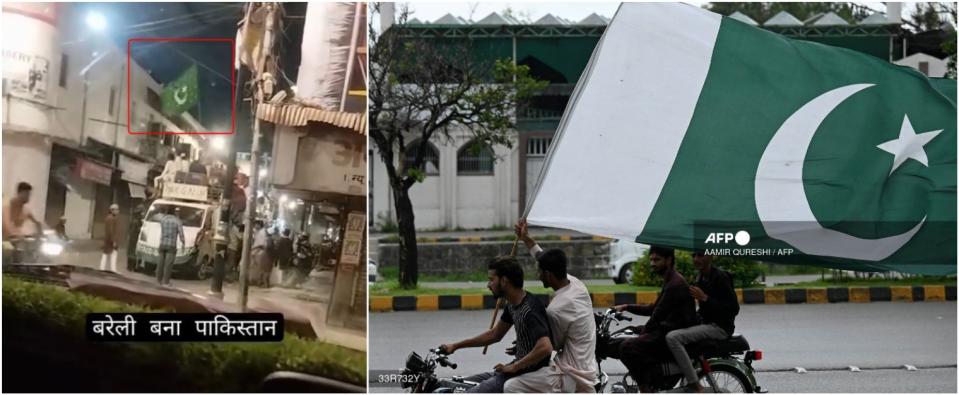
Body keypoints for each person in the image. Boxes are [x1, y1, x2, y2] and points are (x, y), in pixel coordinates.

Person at [440, 256, 554, 393]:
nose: (488, 285)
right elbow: (495, 334)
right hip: (512, 370)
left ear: (504, 281)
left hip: (525, 375)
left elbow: (545, 347)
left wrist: (515, 366)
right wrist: (456, 346)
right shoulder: (512, 305)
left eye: (491, 280)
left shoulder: (529, 309)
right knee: (458, 384)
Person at [512, 219, 598, 393]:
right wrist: (526, 239)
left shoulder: (557, 309)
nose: (538, 276)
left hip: (568, 373)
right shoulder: (576, 284)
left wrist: (522, 345)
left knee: (511, 385)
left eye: (540, 272)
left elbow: (549, 345)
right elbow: (543, 258)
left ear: (548, 275)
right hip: (588, 365)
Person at [610, 246, 697, 393]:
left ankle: (646, 387)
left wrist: (643, 331)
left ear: (669, 260)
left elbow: (655, 316)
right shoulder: (671, 279)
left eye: (657, 260)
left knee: (626, 347)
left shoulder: (675, 284)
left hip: (672, 331)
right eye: (651, 259)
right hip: (667, 327)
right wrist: (626, 307)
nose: (652, 263)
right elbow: (654, 309)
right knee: (631, 332)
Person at [665, 252, 740, 392]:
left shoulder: (720, 277)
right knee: (671, 330)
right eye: (694, 256)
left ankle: (695, 384)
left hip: (720, 327)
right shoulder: (701, 277)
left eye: (700, 255)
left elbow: (733, 309)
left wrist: (705, 298)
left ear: (711, 257)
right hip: (707, 323)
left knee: (673, 338)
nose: (696, 259)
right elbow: (704, 311)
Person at [155, 206, 184, 285]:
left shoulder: (163, 220)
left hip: (162, 243)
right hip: (171, 245)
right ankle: (166, 282)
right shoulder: (177, 221)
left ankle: (158, 280)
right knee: (168, 265)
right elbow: (181, 234)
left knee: (160, 263)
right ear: (174, 212)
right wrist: (183, 242)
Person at [100, 204, 120, 272]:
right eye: (116, 209)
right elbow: (111, 231)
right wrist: (114, 241)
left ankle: (102, 268)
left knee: (106, 254)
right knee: (113, 254)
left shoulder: (109, 218)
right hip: (110, 240)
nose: (118, 211)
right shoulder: (111, 218)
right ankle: (113, 269)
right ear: (112, 210)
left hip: (108, 240)